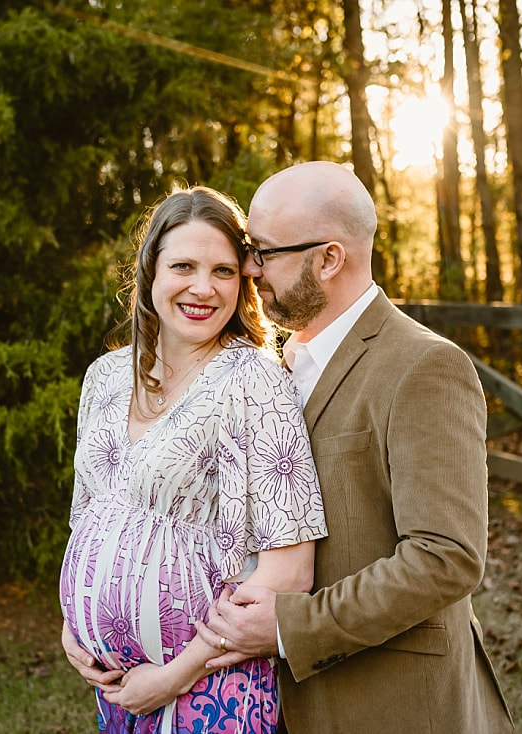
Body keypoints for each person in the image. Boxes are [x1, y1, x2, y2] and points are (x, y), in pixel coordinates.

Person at [190, 161, 515, 733]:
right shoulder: (272, 369)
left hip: (389, 703)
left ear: (329, 258)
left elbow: (446, 558)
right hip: (272, 704)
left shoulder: (424, 366)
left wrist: (292, 626)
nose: (247, 269)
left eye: (264, 252)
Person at [58, 185, 328, 734]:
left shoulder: (255, 382)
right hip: (115, 686)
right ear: (151, 271)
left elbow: (288, 572)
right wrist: (72, 628)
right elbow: (86, 519)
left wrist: (175, 676)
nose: (203, 288)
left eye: (224, 272)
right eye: (183, 265)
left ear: (244, 281)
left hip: (210, 693)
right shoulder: (105, 378)